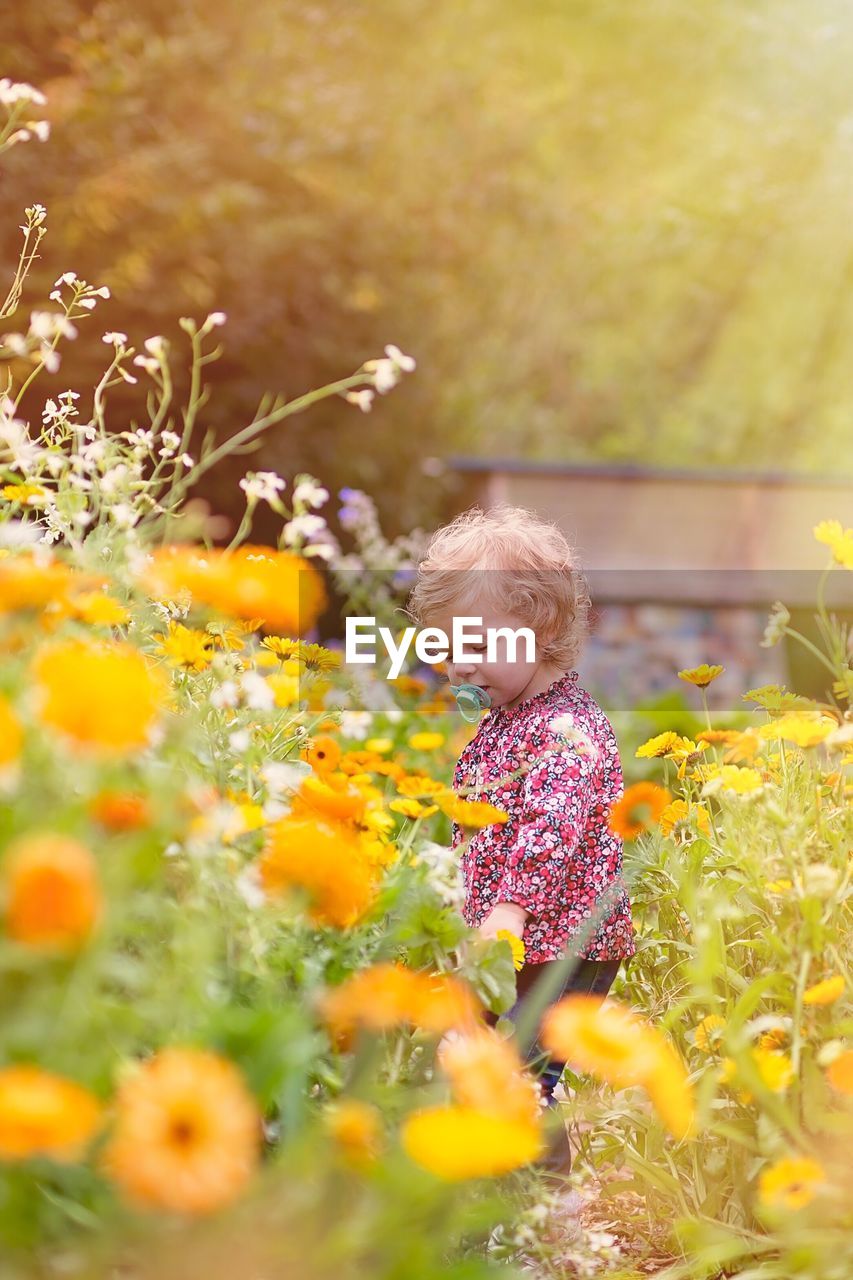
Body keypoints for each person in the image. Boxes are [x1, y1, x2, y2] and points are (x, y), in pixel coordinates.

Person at [407, 503, 636, 1176]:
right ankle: (503, 1204)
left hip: (561, 945)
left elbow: (550, 828)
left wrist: (508, 906)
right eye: (445, 649)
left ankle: (542, 1219)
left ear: (541, 630)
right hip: (514, 942)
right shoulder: (508, 717)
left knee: (521, 1080)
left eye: (476, 648)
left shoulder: (564, 731)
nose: (457, 667)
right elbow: (482, 816)